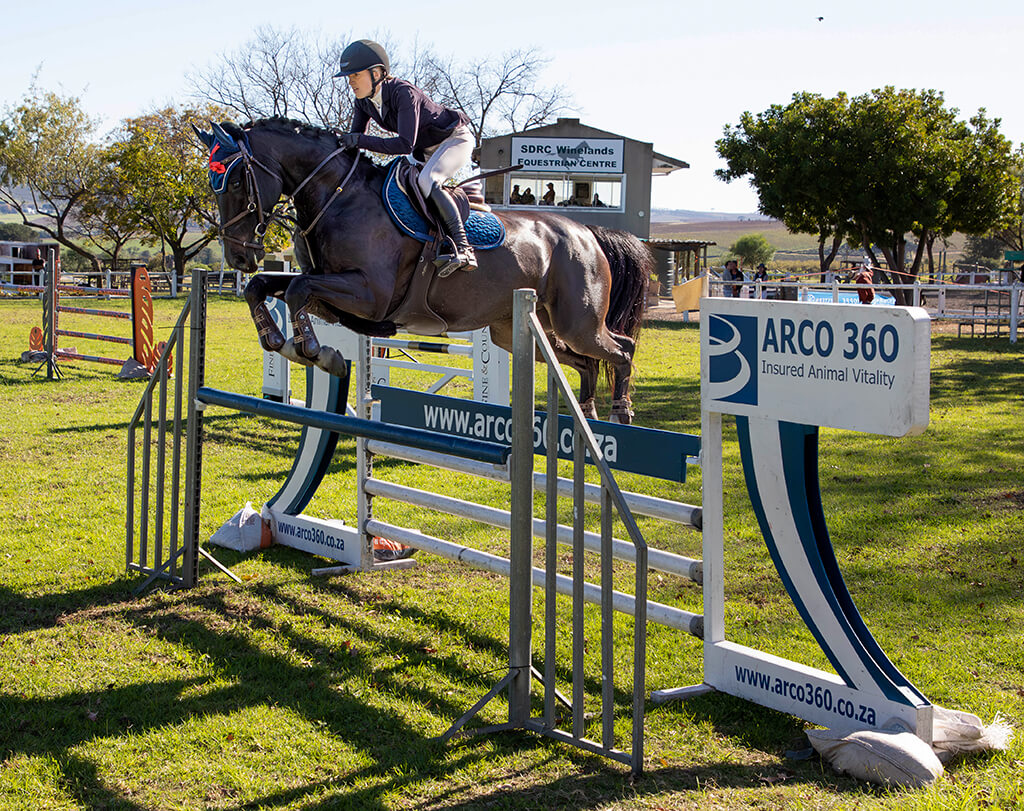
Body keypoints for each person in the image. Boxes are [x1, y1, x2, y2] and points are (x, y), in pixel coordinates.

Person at [334, 39, 477, 273]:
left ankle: (463, 248)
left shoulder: (404, 93)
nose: (351, 82)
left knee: (427, 181)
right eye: (349, 78)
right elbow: (355, 140)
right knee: (393, 179)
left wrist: (358, 140)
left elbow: (404, 143)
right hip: (422, 151)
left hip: (453, 140)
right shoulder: (364, 102)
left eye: (355, 75)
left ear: (377, 72)